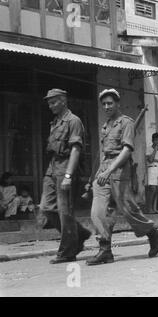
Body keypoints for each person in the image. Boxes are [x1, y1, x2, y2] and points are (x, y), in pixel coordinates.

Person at [86, 89, 158, 266]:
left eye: (110, 103)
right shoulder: (106, 126)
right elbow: (104, 154)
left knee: (129, 210)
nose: (106, 106)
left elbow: (127, 150)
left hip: (120, 171)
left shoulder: (126, 123)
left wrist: (109, 171)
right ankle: (105, 249)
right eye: (104, 104)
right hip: (104, 172)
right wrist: (98, 174)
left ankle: (153, 233)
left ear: (117, 103)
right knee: (98, 212)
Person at [37, 89, 92, 264]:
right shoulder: (55, 122)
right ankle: (80, 233)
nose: (50, 106)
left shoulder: (73, 121)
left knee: (65, 212)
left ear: (63, 101)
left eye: (53, 102)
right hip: (52, 167)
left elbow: (76, 149)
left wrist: (68, 175)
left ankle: (68, 252)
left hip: (65, 168)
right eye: (49, 103)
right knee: (46, 207)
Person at [146, 133, 158, 214]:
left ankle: (155, 209)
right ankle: (149, 208)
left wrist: (156, 159)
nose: (157, 141)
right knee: (152, 189)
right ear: (153, 140)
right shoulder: (149, 148)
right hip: (152, 168)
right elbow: (150, 160)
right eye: (156, 140)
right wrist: (155, 150)